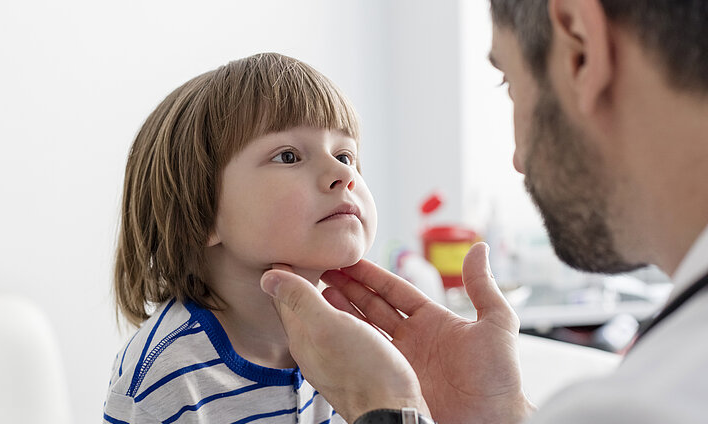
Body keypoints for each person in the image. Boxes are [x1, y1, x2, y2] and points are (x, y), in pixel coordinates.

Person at [259, 0, 708, 423]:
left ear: (581, 49)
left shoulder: (648, 404)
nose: (517, 159)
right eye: (287, 156)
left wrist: (384, 408)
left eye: (509, 83)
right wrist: (496, 410)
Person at [102, 52, 391, 423]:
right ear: (201, 211)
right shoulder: (165, 378)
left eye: (345, 155)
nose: (342, 173)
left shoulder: (359, 345)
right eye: (288, 156)